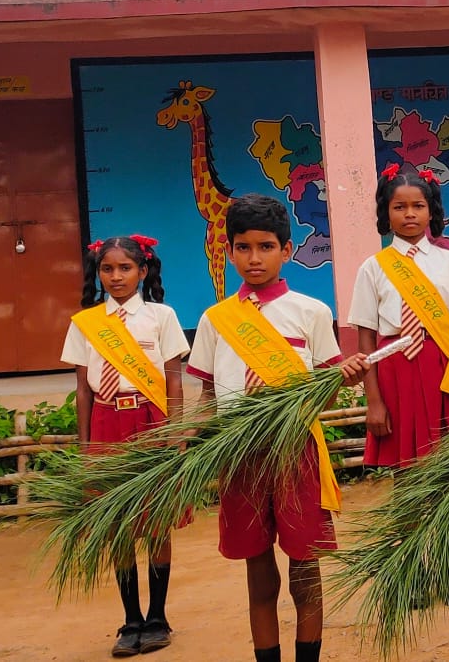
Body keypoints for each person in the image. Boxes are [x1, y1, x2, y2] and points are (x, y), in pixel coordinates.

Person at [185, 194, 369, 662]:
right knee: (258, 572)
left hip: (296, 454)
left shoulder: (311, 312)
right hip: (239, 458)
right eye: (243, 247)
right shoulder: (214, 320)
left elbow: (325, 395)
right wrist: (186, 445)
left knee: (305, 568)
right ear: (229, 251)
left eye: (266, 247)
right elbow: (207, 397)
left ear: (286, 250)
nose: (255, 258)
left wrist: (340, 381)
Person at [348, 164, 449, 604]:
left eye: (418, 206)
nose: (409, 214)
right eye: (399, 207)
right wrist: (373, 401)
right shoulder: (373, 268)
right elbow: (366, 338)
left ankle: (447, 567)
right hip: (395, 375)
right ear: (385, 213)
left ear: (432, 211)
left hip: (444, 373)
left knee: (444, 479)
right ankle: (412, 572)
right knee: (406, 480)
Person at [61, 234, 189, 657]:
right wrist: (85, 448)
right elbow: (83, 390)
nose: (116, 276)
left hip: (151, 422)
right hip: (106, 422)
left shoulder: (162, 317)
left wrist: (174, 434)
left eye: (125, 268)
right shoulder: (86, 323)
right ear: (97, 274)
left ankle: (158, 617)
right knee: (117, 523)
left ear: (143, 271)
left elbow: (174, 382)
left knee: (156, 521)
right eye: (107, 269)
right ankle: (130, 619)